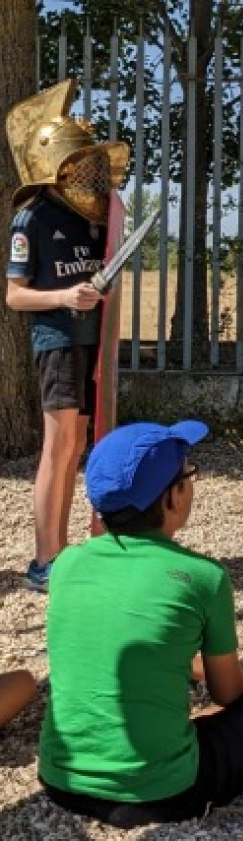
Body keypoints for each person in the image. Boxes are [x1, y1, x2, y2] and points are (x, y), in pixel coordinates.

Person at [38, 419, 243, 827]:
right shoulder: (203, 577)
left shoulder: (66, 564)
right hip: (165, 791)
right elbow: (228, 693)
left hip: (60, 780)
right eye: (189, 474)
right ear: (173, 497)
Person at [5, 80, 129, 592]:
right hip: (56, 340)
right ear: (58, 165)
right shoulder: (31, 217)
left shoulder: (94, 218)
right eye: (85, 163)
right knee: (59, 446)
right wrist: (63, 297)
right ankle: (44, 558)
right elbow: (14, 295)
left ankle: (77, 549)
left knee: (80, 442)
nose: (95, 174)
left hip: (91, 343)